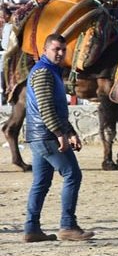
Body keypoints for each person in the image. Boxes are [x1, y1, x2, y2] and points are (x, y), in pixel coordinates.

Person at [23, 34, 93, 242]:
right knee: (73, 175)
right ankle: (67, 225)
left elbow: (56, 108)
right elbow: (46, 109)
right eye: (56, 49)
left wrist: (70, 132)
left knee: (41, 182)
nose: (61, 53)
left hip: (39, 135)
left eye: (63, 49)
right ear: (45, 50)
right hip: (46, 135)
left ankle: (31, 229)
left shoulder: (50, 70)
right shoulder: (44, 72)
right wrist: (60, 134)